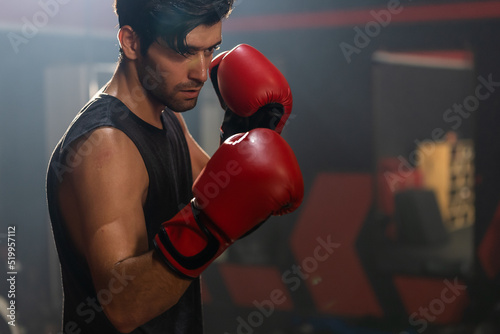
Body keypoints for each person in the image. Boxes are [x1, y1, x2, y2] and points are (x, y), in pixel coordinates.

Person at [46, 0, 302, 333]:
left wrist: (250, 133)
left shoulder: (168, 117)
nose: (201, 71)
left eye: (210, 50)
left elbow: (227, 207)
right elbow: (124, 307)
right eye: (184, 52)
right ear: (132, 42)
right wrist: (208, 225)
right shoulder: (106, 146)